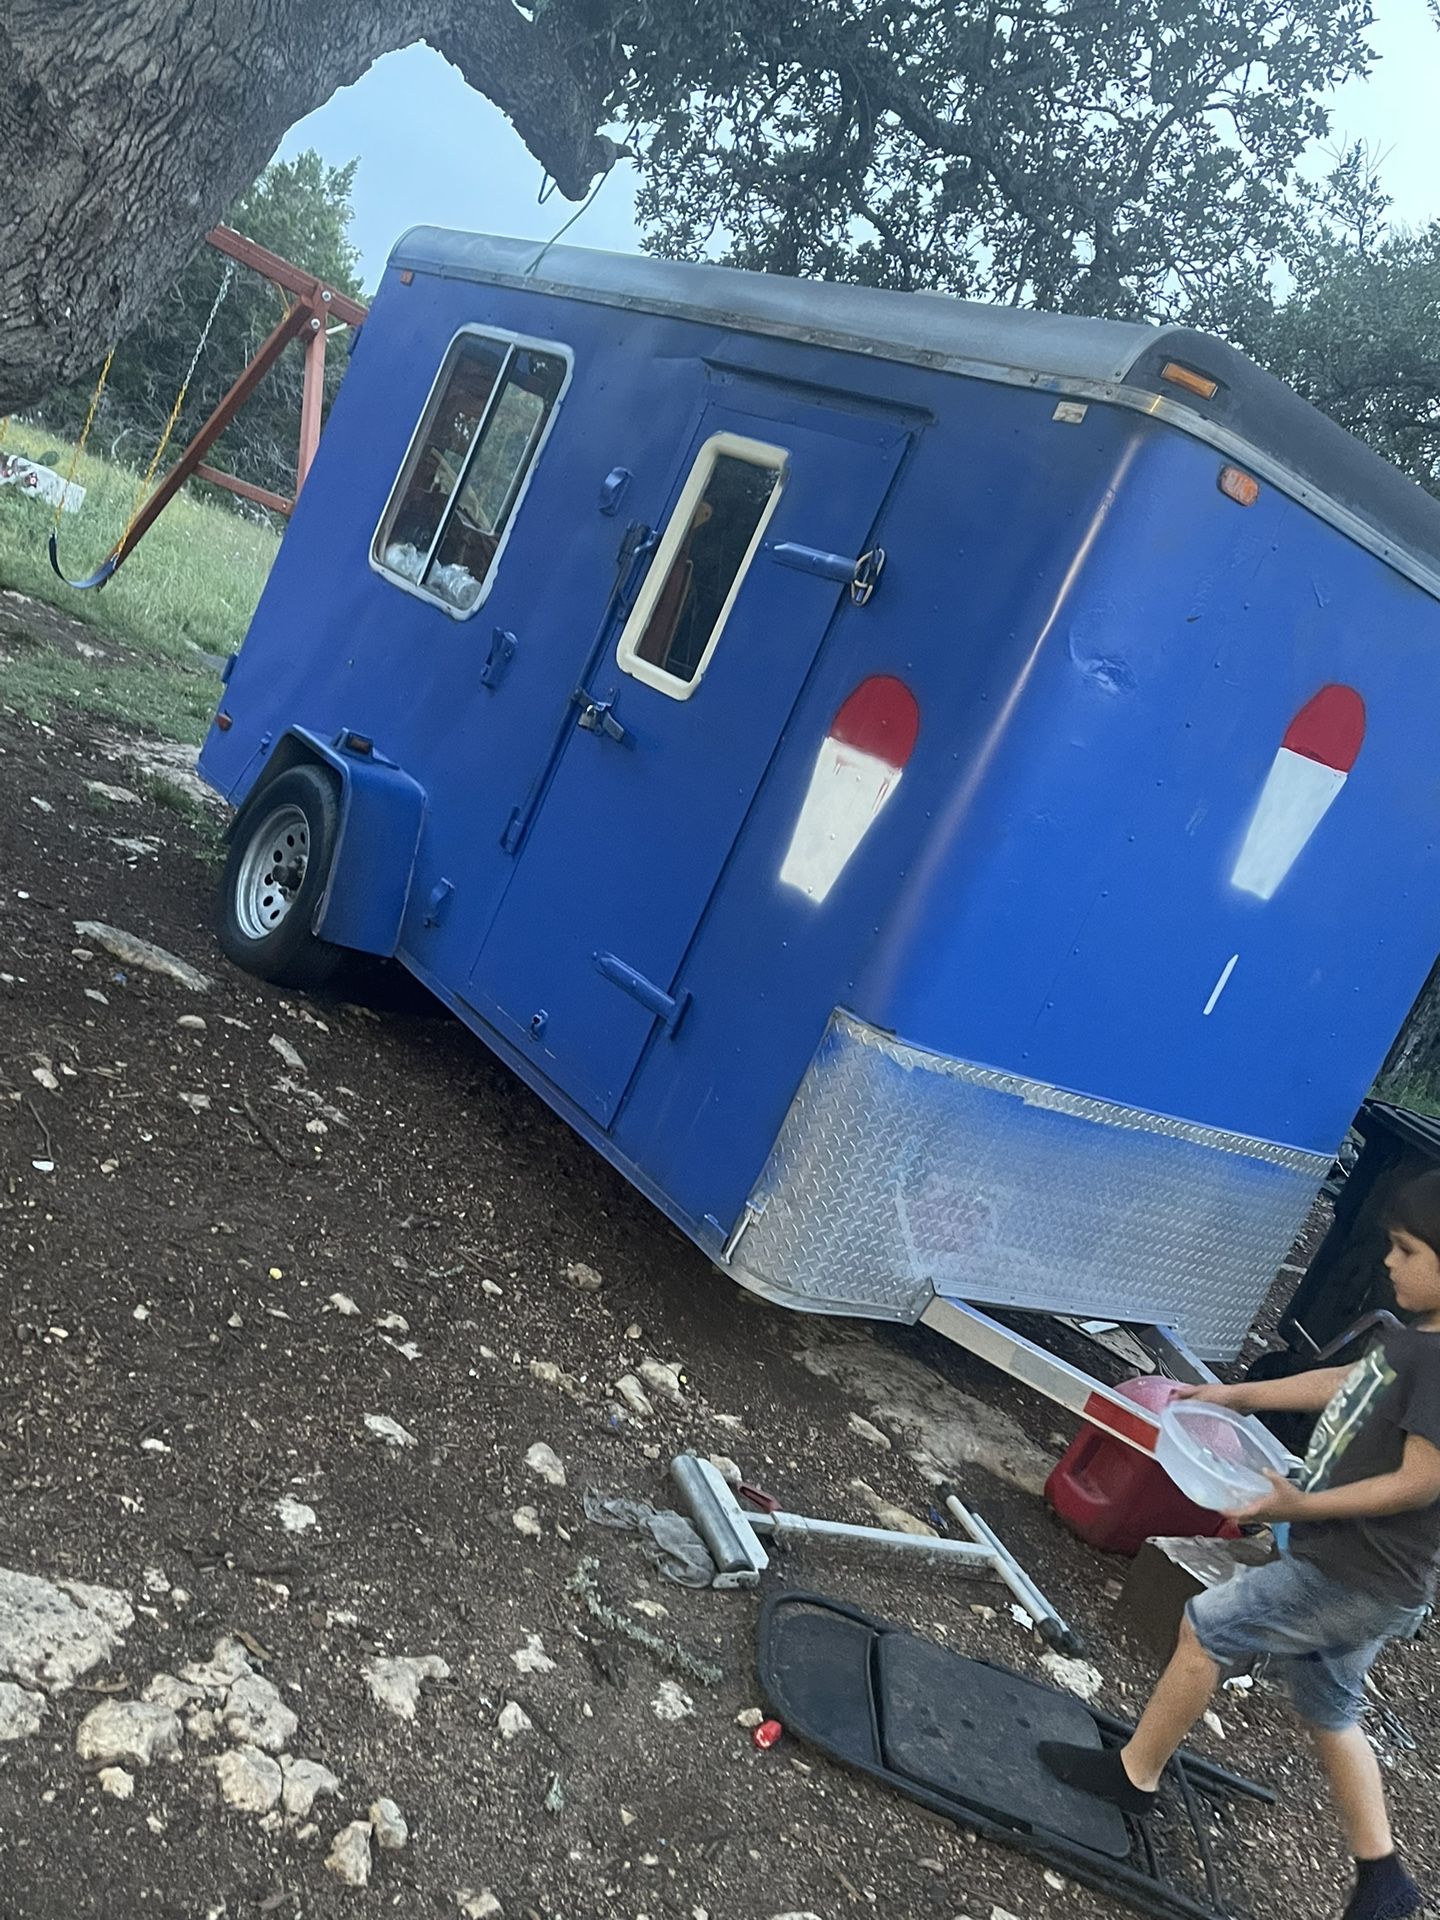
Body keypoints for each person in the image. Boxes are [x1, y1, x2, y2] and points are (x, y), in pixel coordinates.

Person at [1041, 1172, 1440, 1920]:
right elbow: (1345, 1384)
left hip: (1356, 1575)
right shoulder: (1412, 1339)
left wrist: (1304, 1503)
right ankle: (1383, 1878)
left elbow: (1422, 1481)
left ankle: (1135, 1775)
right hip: (1359, 1575)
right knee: (1333, 1707)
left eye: (1407, 1250)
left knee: (1206, 1627)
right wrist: (1234, 1395)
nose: (1389, 1262)